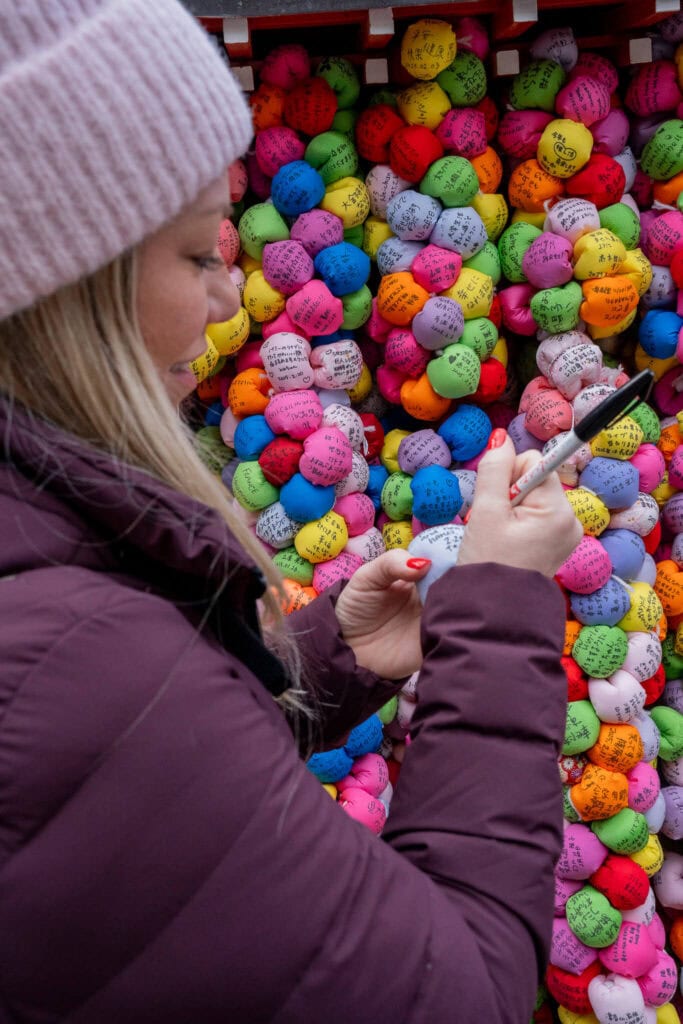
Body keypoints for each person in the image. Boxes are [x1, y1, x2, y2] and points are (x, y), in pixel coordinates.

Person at [0, 2, 583, 1022]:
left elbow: (102, 803)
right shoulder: (82, 662)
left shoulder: (58, 612)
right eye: (192, 256)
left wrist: (322, 661)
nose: (228, 297)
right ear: (65, 294)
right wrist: (497, 618)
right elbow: (462, 995)